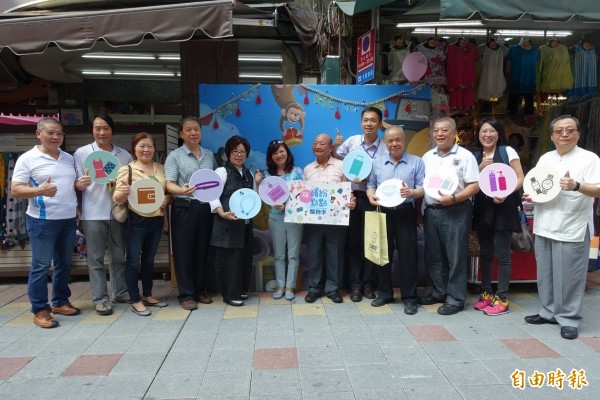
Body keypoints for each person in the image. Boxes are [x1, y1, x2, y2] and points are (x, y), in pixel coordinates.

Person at [524, 115, 600, 340]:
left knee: (569, 276)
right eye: (559, 131)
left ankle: (568, 318)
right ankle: (548, 311)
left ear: (578, 133)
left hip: (572, 225)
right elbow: (538, 186)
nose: (564, 134)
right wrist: (531, 195)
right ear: (552, 136)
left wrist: (576, 185)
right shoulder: (546, 158)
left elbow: (598, 189)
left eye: (569, 130)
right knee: (545, 273)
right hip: (545, 223)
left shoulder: (589, 159)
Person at [11, 118, 82, 328]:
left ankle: (60, 301)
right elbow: (16, 189)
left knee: (64, 264)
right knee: (41, 266)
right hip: (42, 220)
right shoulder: (28, 159)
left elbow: (72, 185)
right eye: (51, 133)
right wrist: (40, 190)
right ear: (38, 134)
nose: (56, 137)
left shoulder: (69, 158)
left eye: (59, 133)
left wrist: (81, 184)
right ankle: (40, 309)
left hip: (68, 219)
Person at [420, 117, 480, 315]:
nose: (440, 134)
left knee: (455, 256)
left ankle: (455, 298)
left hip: (455, 211)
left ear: (454, 133)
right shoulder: (427, 157)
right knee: (434, 256)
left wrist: (453, 198)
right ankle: (439, 291)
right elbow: (423, 186)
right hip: (431, 211)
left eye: (444, 130)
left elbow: (474, 186)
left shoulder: (465, 156)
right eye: (436, 130)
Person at [74, 114, 132, 316]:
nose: (101, 132)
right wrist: (78, 184)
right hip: (92, 214)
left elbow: (131, 184)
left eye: (106, 128)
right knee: (96, 259)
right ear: (92, 130)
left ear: (112, 130)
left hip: (118, 212)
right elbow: (74, 183)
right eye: (97, 128)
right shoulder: (82, 153)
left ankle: (121, 292)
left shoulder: (124, 155)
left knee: (118, 257)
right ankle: (100, 298)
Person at [366, 126, 425, 314]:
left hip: (406, 211)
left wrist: (412, 192)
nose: (394, 144)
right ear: (385, 142)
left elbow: (423, 188)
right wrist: (371, 196)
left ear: (404, 140)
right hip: (383, 212)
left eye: (397, 140)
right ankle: (384, 293)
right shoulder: (377, 163)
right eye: (390, 141)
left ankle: (410, 297)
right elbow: (370, 186)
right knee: (383, 254)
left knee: (409, 255)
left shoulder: (416, 162)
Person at [333, 106, 388, 302]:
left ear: (380, 124)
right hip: (352, 198)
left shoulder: (384, 148)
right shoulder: (352, 142)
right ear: (361, 122)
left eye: (373, 120)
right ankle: (355, 285)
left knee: (371, 243)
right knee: (354, 244)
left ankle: (368, 285)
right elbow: (337, 159)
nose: (369, 124)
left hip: (374, 199)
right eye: (365, 120)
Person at [113, 133, 170, 316]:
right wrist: (124, 192)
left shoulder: (160, 168)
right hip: (136, 219)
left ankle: (148, 295)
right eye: (141, 146)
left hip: (157, 218)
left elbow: (166, 192)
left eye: (149, 146)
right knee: (132, 261)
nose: (146, 150)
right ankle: (135, 299)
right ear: (134, 149)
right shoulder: (127, 170)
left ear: (154, 149)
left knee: (149, 259)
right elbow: (117, 198)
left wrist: (166, 200)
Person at [472, 118, 525, 316]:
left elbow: (520, 177)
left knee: (502, 254)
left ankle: (502, 297)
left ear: (498, 133)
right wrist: (480, 168)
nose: (487, 135)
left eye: (492, 131)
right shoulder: (475, 156)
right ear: (478, 134)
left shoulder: (507, 151)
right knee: (485, 253)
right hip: (483, 207)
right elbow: (469, 182)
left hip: (504, 207)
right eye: (484, 131)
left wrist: (507, 192)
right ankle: (486, 292)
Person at [165, 116, 218, 311]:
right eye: (188, 130)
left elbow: (213, 182)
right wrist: (181, 190)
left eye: (196, 129)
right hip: (184, 208)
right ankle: (186, 294)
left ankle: (200, 290)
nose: (193, 133)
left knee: (203, 250)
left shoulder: (209, 155)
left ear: (201, 132)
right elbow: (168, 183)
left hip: (205, 208)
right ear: (181, 134)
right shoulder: (175, 156)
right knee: (183, 252)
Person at [304, 133, 355, 304]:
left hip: (336, 220)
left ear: (330, 147)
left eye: (322, 143)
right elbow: (304, 196)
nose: (317, 146)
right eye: (315, 143)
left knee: (335, 255)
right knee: (314, 254)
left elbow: (350, 191)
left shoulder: (342, 166)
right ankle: (314, 289)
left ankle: (333, 289)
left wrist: (352, 201)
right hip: (314, 221)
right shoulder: (307, 169)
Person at [255, 140, 303, 301]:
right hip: (275, 218)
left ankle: (290, 287)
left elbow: (304, 196)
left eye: (281, 151)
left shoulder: (297, 172)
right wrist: (258, 183)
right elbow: (262, 197)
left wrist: (288, 205)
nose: (279, 155)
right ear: (271, 157)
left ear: (287, 153)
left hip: (294, 217)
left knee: (294, 255)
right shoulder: (268, 176)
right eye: (275, 153)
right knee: (279, 254)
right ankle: (280, 286)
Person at [210, 135, 255, 307]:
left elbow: (253, 198)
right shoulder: (221, 171)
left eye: (242, 152)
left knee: (243, 258)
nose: (239, 155)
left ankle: (241, 290)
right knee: (229, 260)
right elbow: (212, 195)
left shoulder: (248, 174)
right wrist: (221, 213)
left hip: (244, 225)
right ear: (229, 153)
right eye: (235, 151)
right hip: (226, 224)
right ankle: (229, 294)